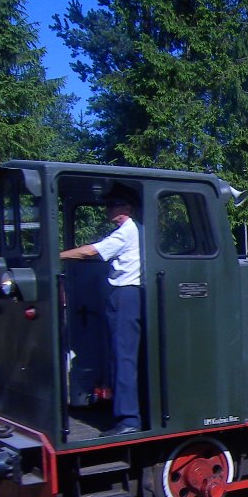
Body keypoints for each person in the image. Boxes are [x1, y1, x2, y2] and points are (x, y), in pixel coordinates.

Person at [60, 184, 142, 436]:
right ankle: (122, 411)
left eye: (113, 204)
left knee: (123, 358)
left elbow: (91, 251)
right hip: (121, 295)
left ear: (127, 208)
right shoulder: (124, 231)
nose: (108, 209)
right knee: (118, 356)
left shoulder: (126, 232)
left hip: (126, 295)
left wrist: (56, 255)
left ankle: (129, 420)